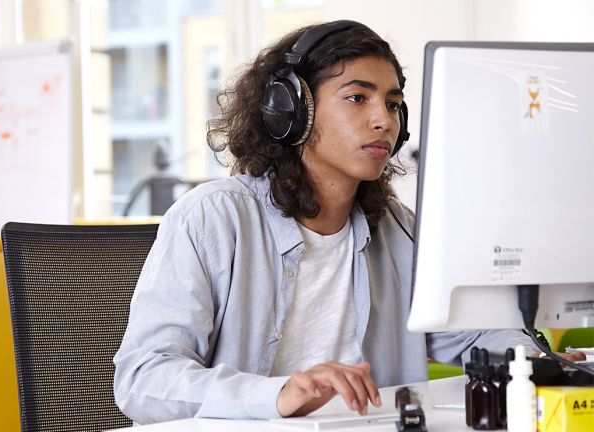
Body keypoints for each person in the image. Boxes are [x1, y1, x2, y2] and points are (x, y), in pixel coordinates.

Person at [112, 20, 581, 425]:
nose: (384, 121)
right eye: (358, 98)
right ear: (290, 113)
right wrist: (276, 394)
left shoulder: (399, 229)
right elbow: (144, 379)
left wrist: (534, 360)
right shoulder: (212, 219)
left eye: (394, 104)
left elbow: (471, 330)